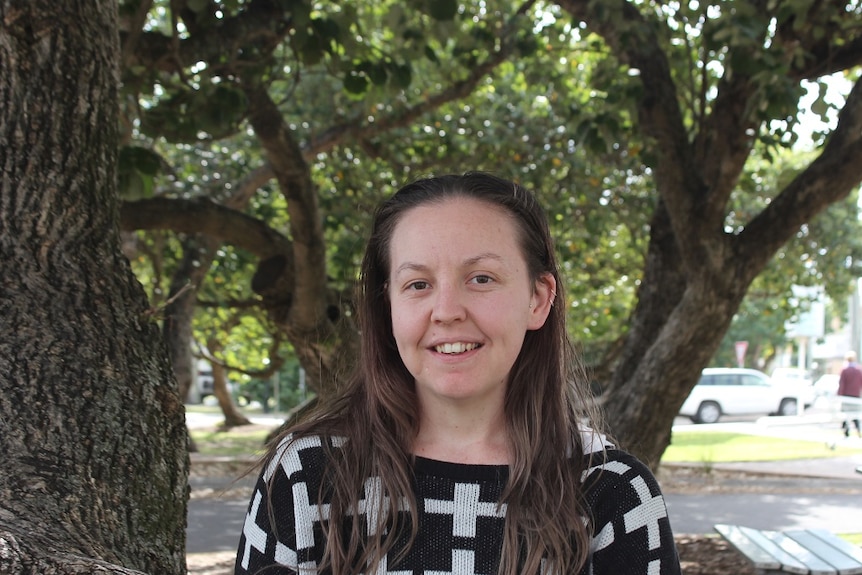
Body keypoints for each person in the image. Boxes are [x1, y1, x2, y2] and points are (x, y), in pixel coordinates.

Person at [234, 173, 681, 575]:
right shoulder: (306, 475)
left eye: (481, 278)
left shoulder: (614, 494)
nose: (446, 312)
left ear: (538, 299)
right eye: (418, 284)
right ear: (387, 305)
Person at [838, 351, 862, 438]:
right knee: (855, 414)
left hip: (846, 395)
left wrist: (839, 394)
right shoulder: (858, 370)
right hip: (856, 395)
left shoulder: (845, 370)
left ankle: (846, 432)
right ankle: (858, 430)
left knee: (846, 415)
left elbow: (842, 383)